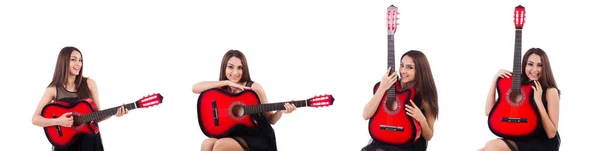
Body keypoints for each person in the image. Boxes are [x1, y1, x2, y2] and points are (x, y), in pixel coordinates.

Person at [192, 49, 297, 151]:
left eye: (240, 68)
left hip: (257, 136)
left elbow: (270, 120)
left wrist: (280, 112)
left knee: (221, 145)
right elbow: (195, 88)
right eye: (230, 67)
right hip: (232, 134)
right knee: (207, 144)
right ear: (224, 67)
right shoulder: (221, 89)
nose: (235, 72)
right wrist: (226, 83)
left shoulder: (254, 88)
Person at [31, 46, 129, 151]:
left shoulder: (89, 84)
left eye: (80, 60)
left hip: (90, 142)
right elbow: (35, 119)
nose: (78, 64)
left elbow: (97, 116)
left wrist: (114, 113)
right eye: (73, 60)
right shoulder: (53, 89)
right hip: (66, 144)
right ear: (63, 62)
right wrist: (59, 121)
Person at [481, 48, 561, 151]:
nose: (535, 70)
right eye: (530, 64)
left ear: (545, 67)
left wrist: (538, 101)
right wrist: (494, 81)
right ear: (524, 65)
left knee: (492, 146)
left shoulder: (551, 91)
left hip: (541, 142)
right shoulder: (520, 87)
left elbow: (551, 133)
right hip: (520, 135)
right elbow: (488, 112)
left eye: (540, 65)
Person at [362, 50, 439, 151]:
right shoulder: (390, 87)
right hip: (385, 137)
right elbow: (365, 115)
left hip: (409, 143)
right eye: (401, 65)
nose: (402, 71)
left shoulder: (425, 97)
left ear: (420, 70)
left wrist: (421, 118)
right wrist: (382, 88)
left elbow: (429, 136)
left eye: (409, 67)